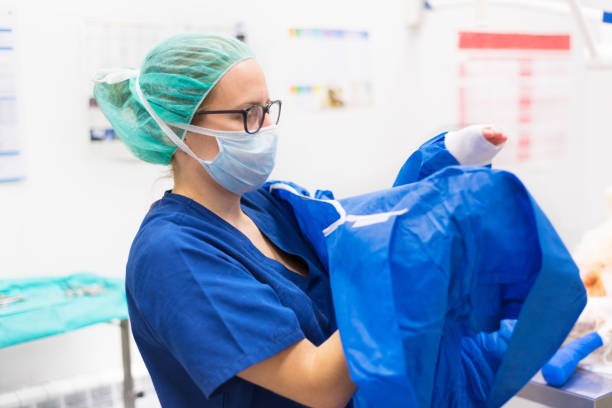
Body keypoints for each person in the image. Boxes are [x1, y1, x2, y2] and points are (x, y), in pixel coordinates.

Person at [93, 33, 507, 408]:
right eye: (247, 114)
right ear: (178, 129)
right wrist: (405, 274)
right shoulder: (173, 257)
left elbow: (364, 236)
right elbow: (318, 385)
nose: (266, 128)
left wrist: (437, 169)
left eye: (268, 109)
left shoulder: (267, 206)